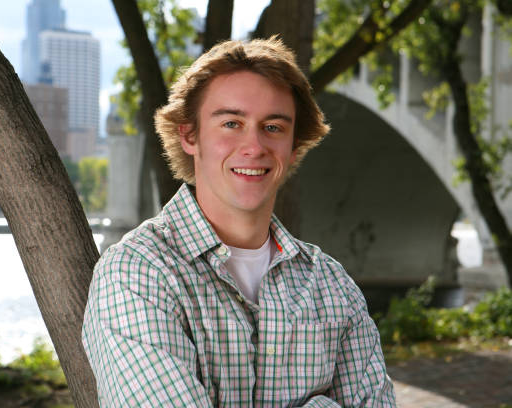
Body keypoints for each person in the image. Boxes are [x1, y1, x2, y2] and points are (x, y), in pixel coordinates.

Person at [82, 37, 396, 407]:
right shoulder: (137, 272)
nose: (254, 146)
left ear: (294, 145)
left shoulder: (331, 286)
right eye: (231, 123)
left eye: (274, 127)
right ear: (189, 135)